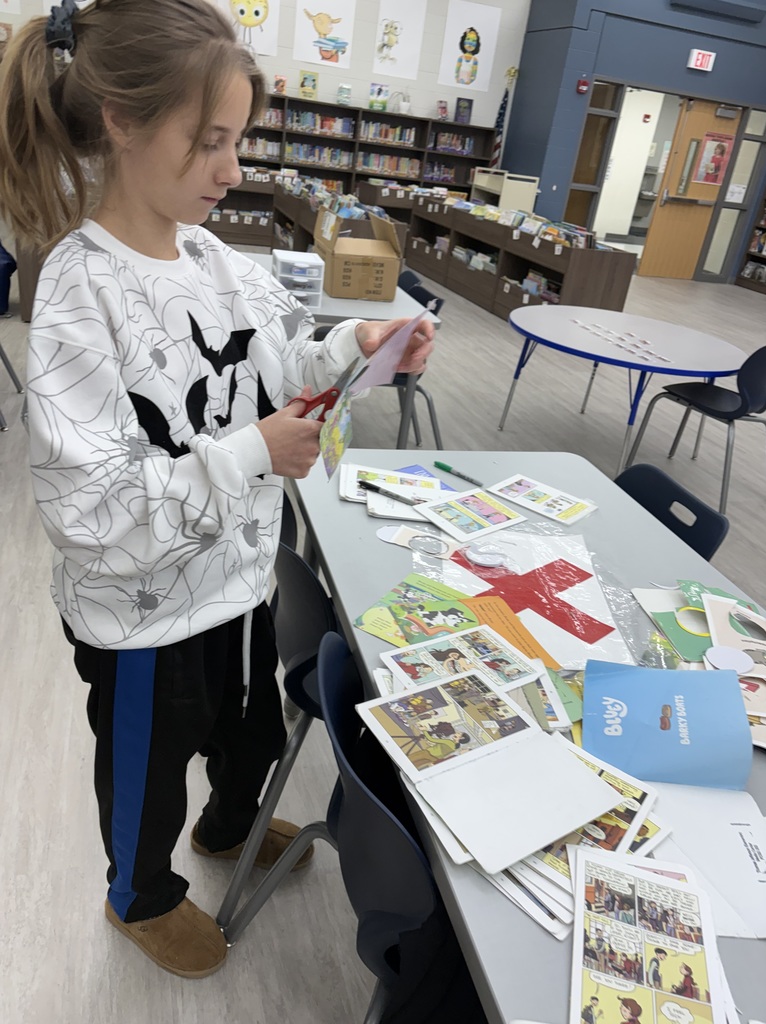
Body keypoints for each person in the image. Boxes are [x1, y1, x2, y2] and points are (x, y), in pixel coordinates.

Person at [0, 0, 433, 979]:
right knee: (151, 764)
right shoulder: (78, 288)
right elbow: (90, 513)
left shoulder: (213, 259)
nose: (234, 170)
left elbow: (282, 361)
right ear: (120, 120)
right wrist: (249, 453)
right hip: (144, 613)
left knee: (248, 724)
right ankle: (138, 894)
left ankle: (233, 821)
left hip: (238, 579)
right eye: (209, 143)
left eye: (239, 142)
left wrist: (357, 347)